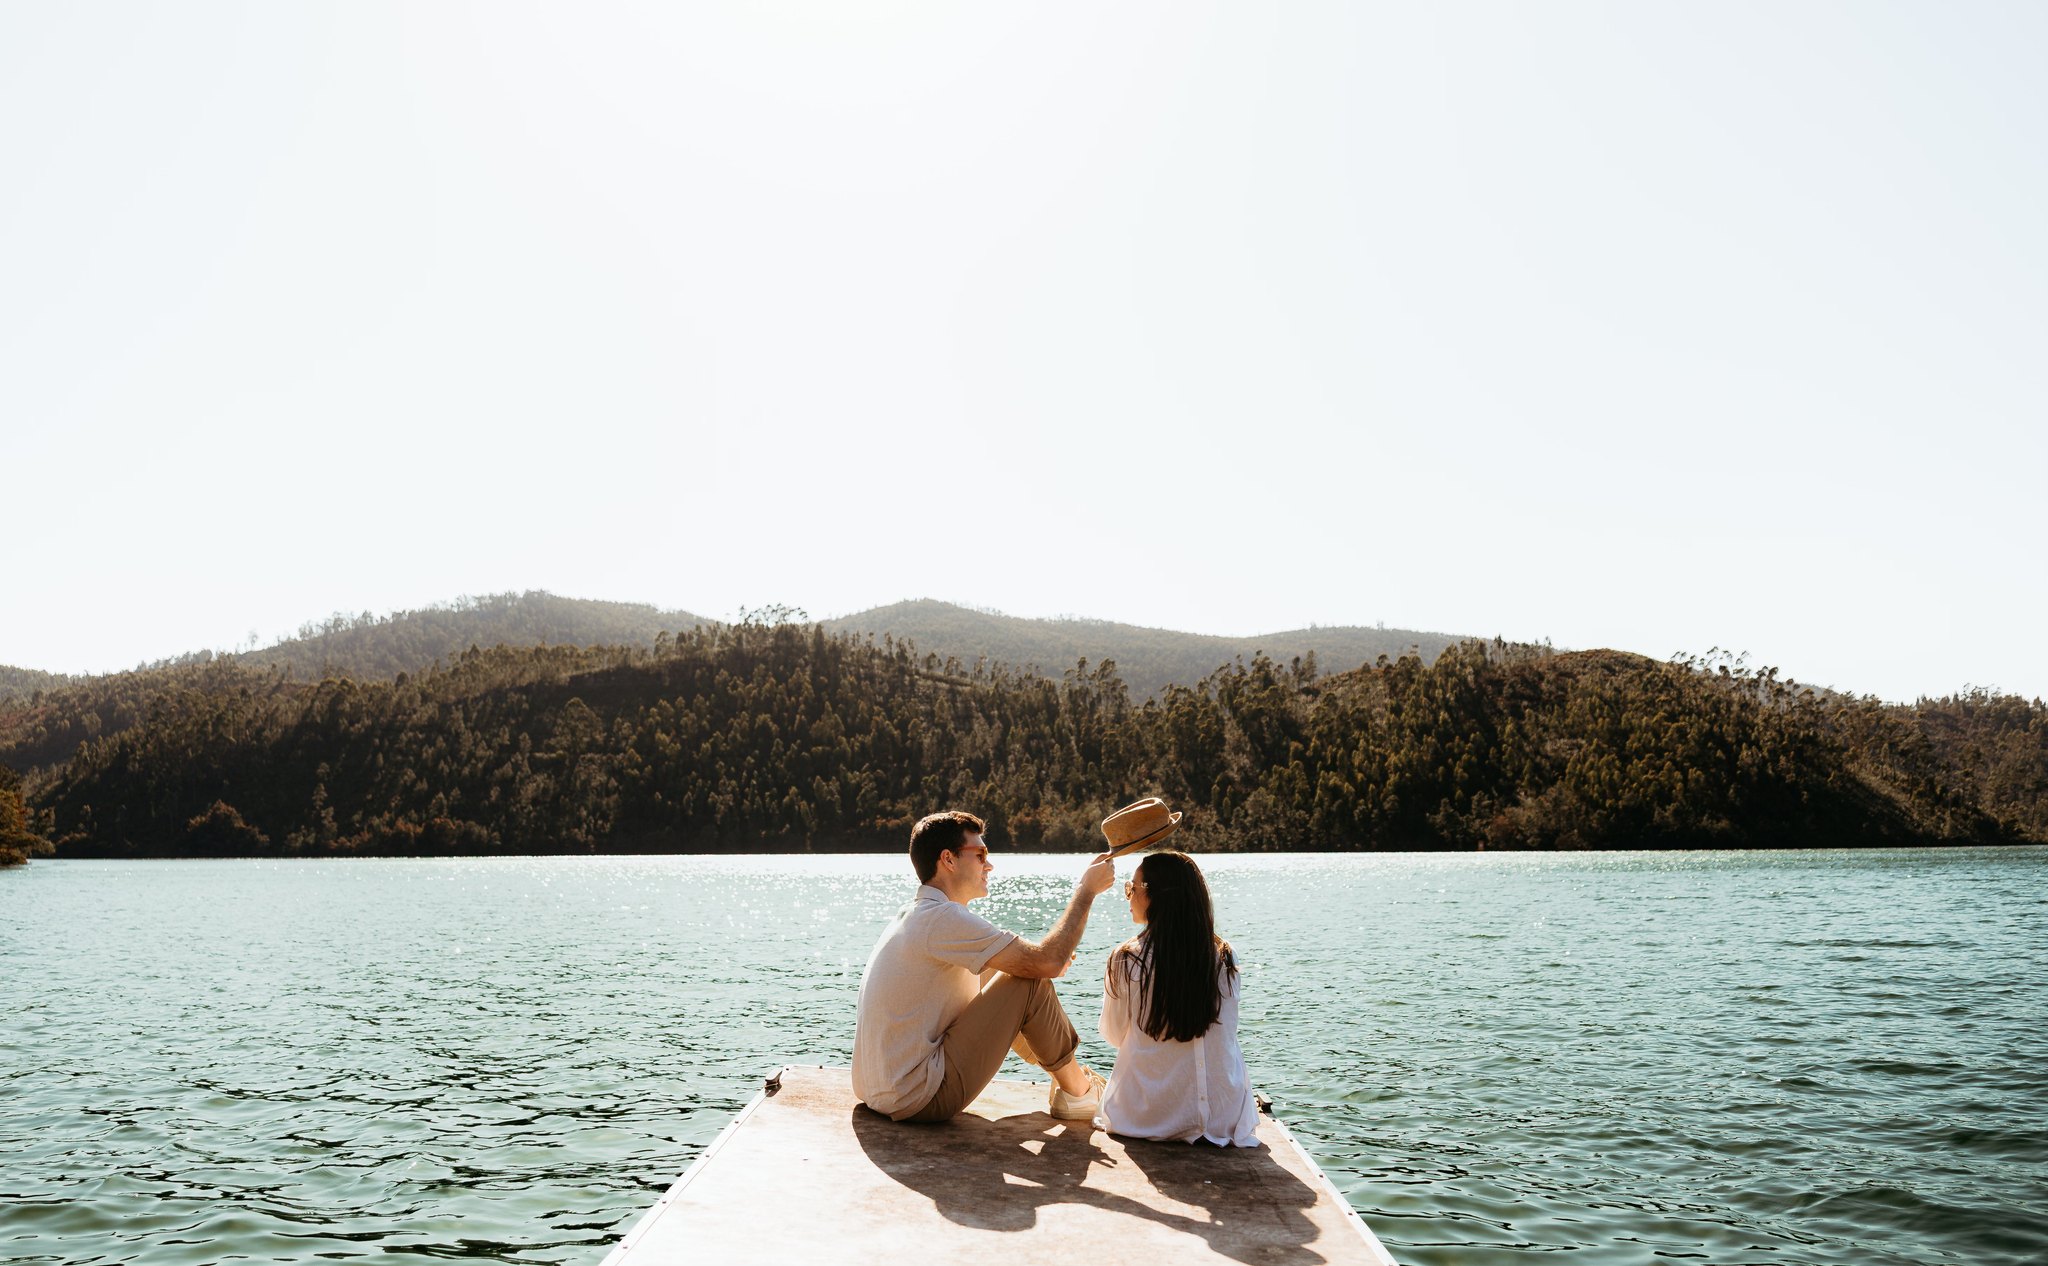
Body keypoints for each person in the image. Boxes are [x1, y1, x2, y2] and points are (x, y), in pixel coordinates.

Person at [852, 810, 1116, 1123]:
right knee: (1029, 982)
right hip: (919, 1098)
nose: (989, 865)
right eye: (980, 855)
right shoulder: (942, 919)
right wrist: (1086, 890)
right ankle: (1079, 1094)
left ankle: (1070, 1083)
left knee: (1015, 972)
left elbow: (1035, 965)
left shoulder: (916, 915)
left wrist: (1041, 965)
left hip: (880, 1091)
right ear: (948, 859)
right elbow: (1047, 962)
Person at [1096, 849, 1260, 1146]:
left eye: (1131, 888)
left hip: (1148, 1115)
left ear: (1155, 895)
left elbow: (1114, 1034)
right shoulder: (1224, 956)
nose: (1128, 896)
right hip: (1224, 1119)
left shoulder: (1127, 959)